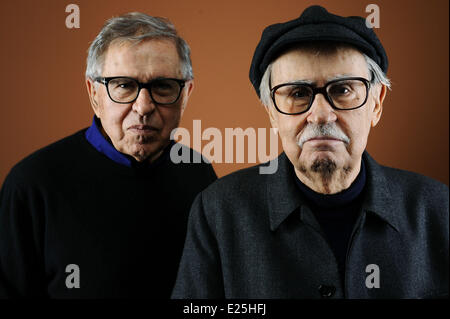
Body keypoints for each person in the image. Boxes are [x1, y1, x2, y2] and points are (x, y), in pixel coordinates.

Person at [172, 5, 448, 298]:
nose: (320, 115)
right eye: (297, 94)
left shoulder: (438, 210)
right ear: (272, 114)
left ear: (376, 104)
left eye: (342, 90)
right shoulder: (218, 212)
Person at [0, 12, 216, 298]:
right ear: (94, 94)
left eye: (162, 86)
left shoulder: (199, 174)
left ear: (185, 94)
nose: (143, 106)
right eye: (124, 86)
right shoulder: (31, 185)